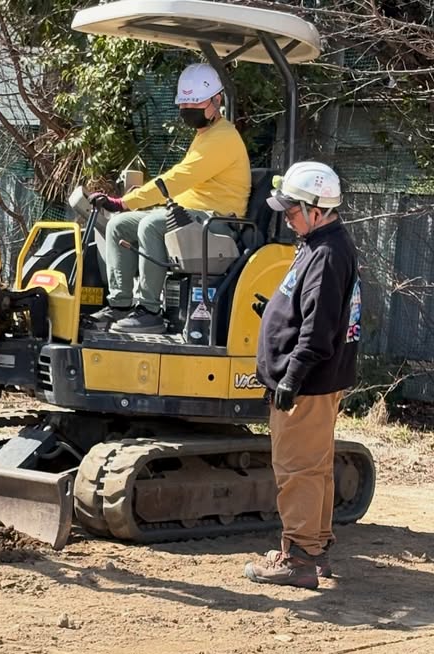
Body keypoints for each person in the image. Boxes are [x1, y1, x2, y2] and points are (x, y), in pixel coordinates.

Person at [244, 160, 361, 590]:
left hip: (308, 383)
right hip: (316, 380)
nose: (287, 218)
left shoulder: (327, 253)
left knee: (298, 470)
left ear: (317, 209)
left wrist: (292, 376)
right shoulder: (318, 244)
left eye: (292, 211)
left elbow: (319, 328)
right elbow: (310, 310)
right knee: (314, 467)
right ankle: (315, 547)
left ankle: (298, 559)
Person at [91, 63, 251, 333]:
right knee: (119, 225)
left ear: (217, 101)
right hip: (193, 216)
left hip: (218, 223)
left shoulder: (223, 138)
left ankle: (150, 311)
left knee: (151, 225)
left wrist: (126, 202)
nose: (188, 111)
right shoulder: (206, 135)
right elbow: (185, 187)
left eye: (195, 105)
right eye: (184, 106)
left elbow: (178, 179)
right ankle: (120, 305)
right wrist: (129, 206)